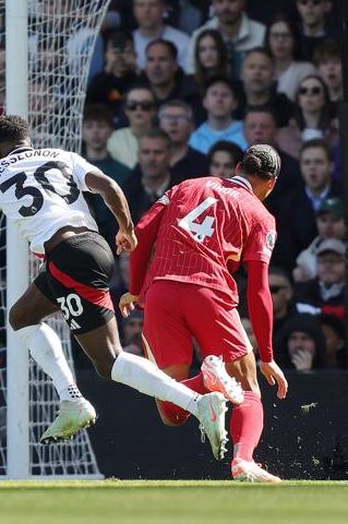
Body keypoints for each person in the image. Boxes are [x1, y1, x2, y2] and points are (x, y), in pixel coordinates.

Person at [0, 115, 230, 452]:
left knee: (109, 360)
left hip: (67, 256)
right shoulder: (60, 155)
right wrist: (126, 228)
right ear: (29, 140)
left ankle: (198, 405)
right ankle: (71, 399)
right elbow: (109, 186)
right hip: (91, 248)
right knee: (22, 316)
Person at [120, 144, 290, 482]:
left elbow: (140, 232)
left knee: (172, 409)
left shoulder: (185, 186)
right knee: (248, 389)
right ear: (270, 184)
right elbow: (258, 289)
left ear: (238, 167)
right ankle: (243, 461)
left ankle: (205, 382)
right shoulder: (261, 215)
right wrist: (267, 355)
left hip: (161, 293)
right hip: (209, 292)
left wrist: (137, 289)